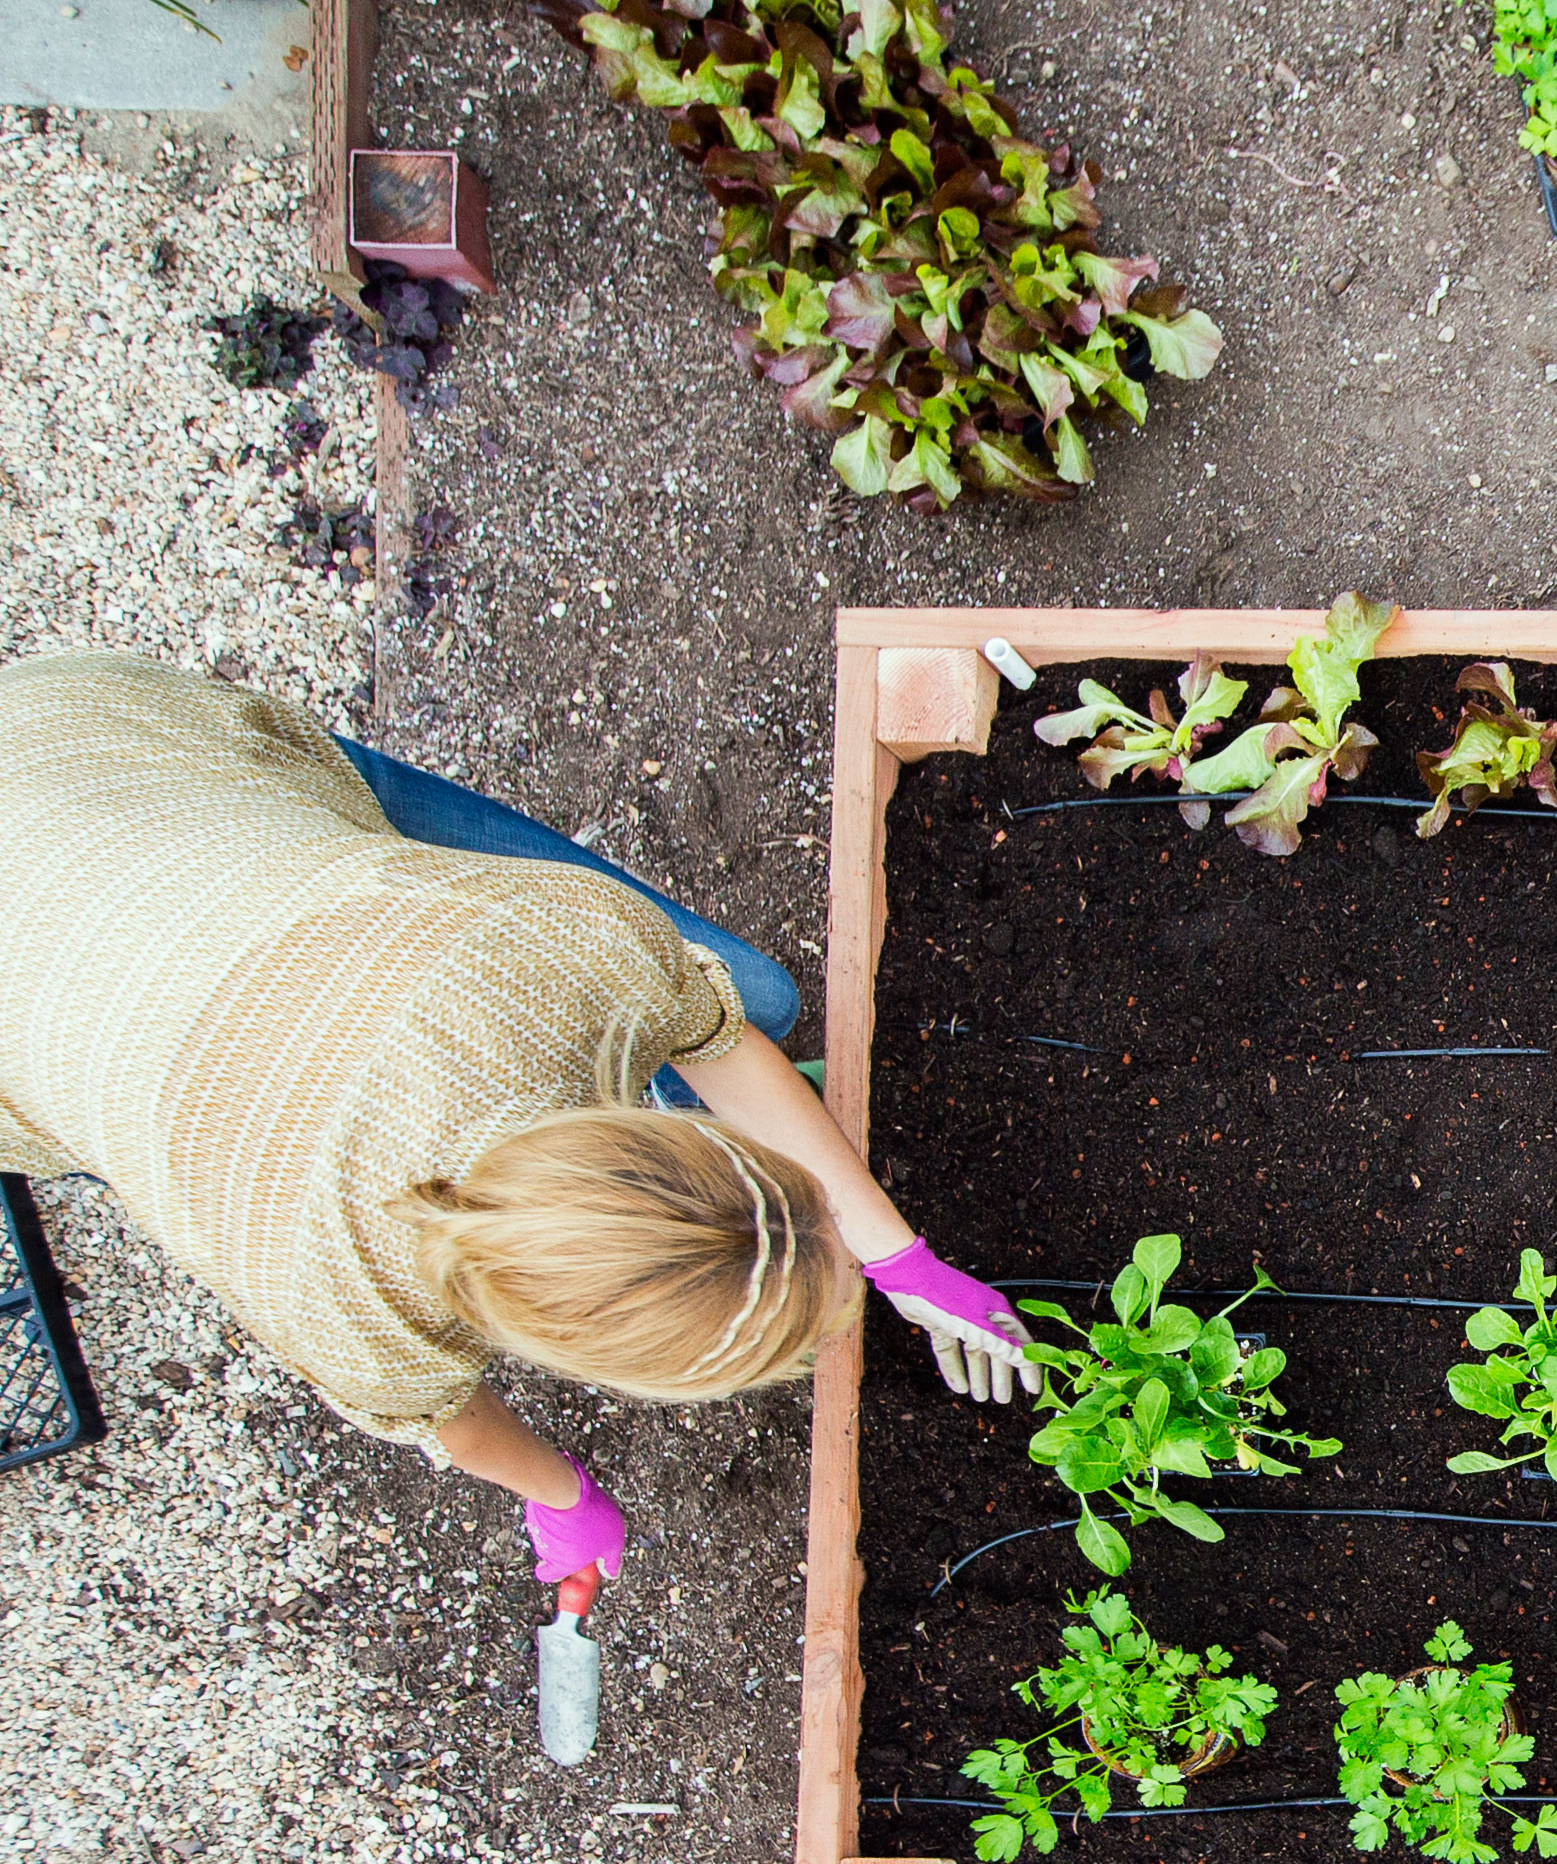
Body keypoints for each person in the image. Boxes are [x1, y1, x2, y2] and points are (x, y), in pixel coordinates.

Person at [0, 651, 1028, 1642]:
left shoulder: (558, 952)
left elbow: (722, 1037)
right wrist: (557, 1492)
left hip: (110, 756)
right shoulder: (331, 1292)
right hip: (58, 924)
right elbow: (451, 1413)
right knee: (122, 1102)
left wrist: (898, 1256)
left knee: (752, 995)